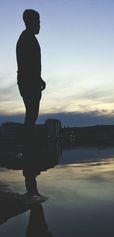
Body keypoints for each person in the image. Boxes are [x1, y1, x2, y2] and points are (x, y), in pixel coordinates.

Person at [16, 9, 46, 140]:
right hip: (28, 82)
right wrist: (34, 80)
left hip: (30, 81)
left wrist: (39, 79)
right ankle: (28, 145)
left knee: (32, 114)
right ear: (29, 22)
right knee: (32, 114)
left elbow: (31, 64)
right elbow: (26, 64)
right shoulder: (26, 39)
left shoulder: (29, 38)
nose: (39, 25)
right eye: (37, 21)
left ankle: (29, 143)